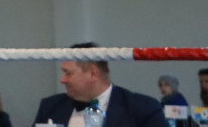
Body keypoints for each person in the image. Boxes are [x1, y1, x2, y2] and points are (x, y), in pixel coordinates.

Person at [33, 43, 167, 127]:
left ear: (92, 73)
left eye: (68, 73)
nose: (62, 80)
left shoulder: (142, 108)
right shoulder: (50, 106)